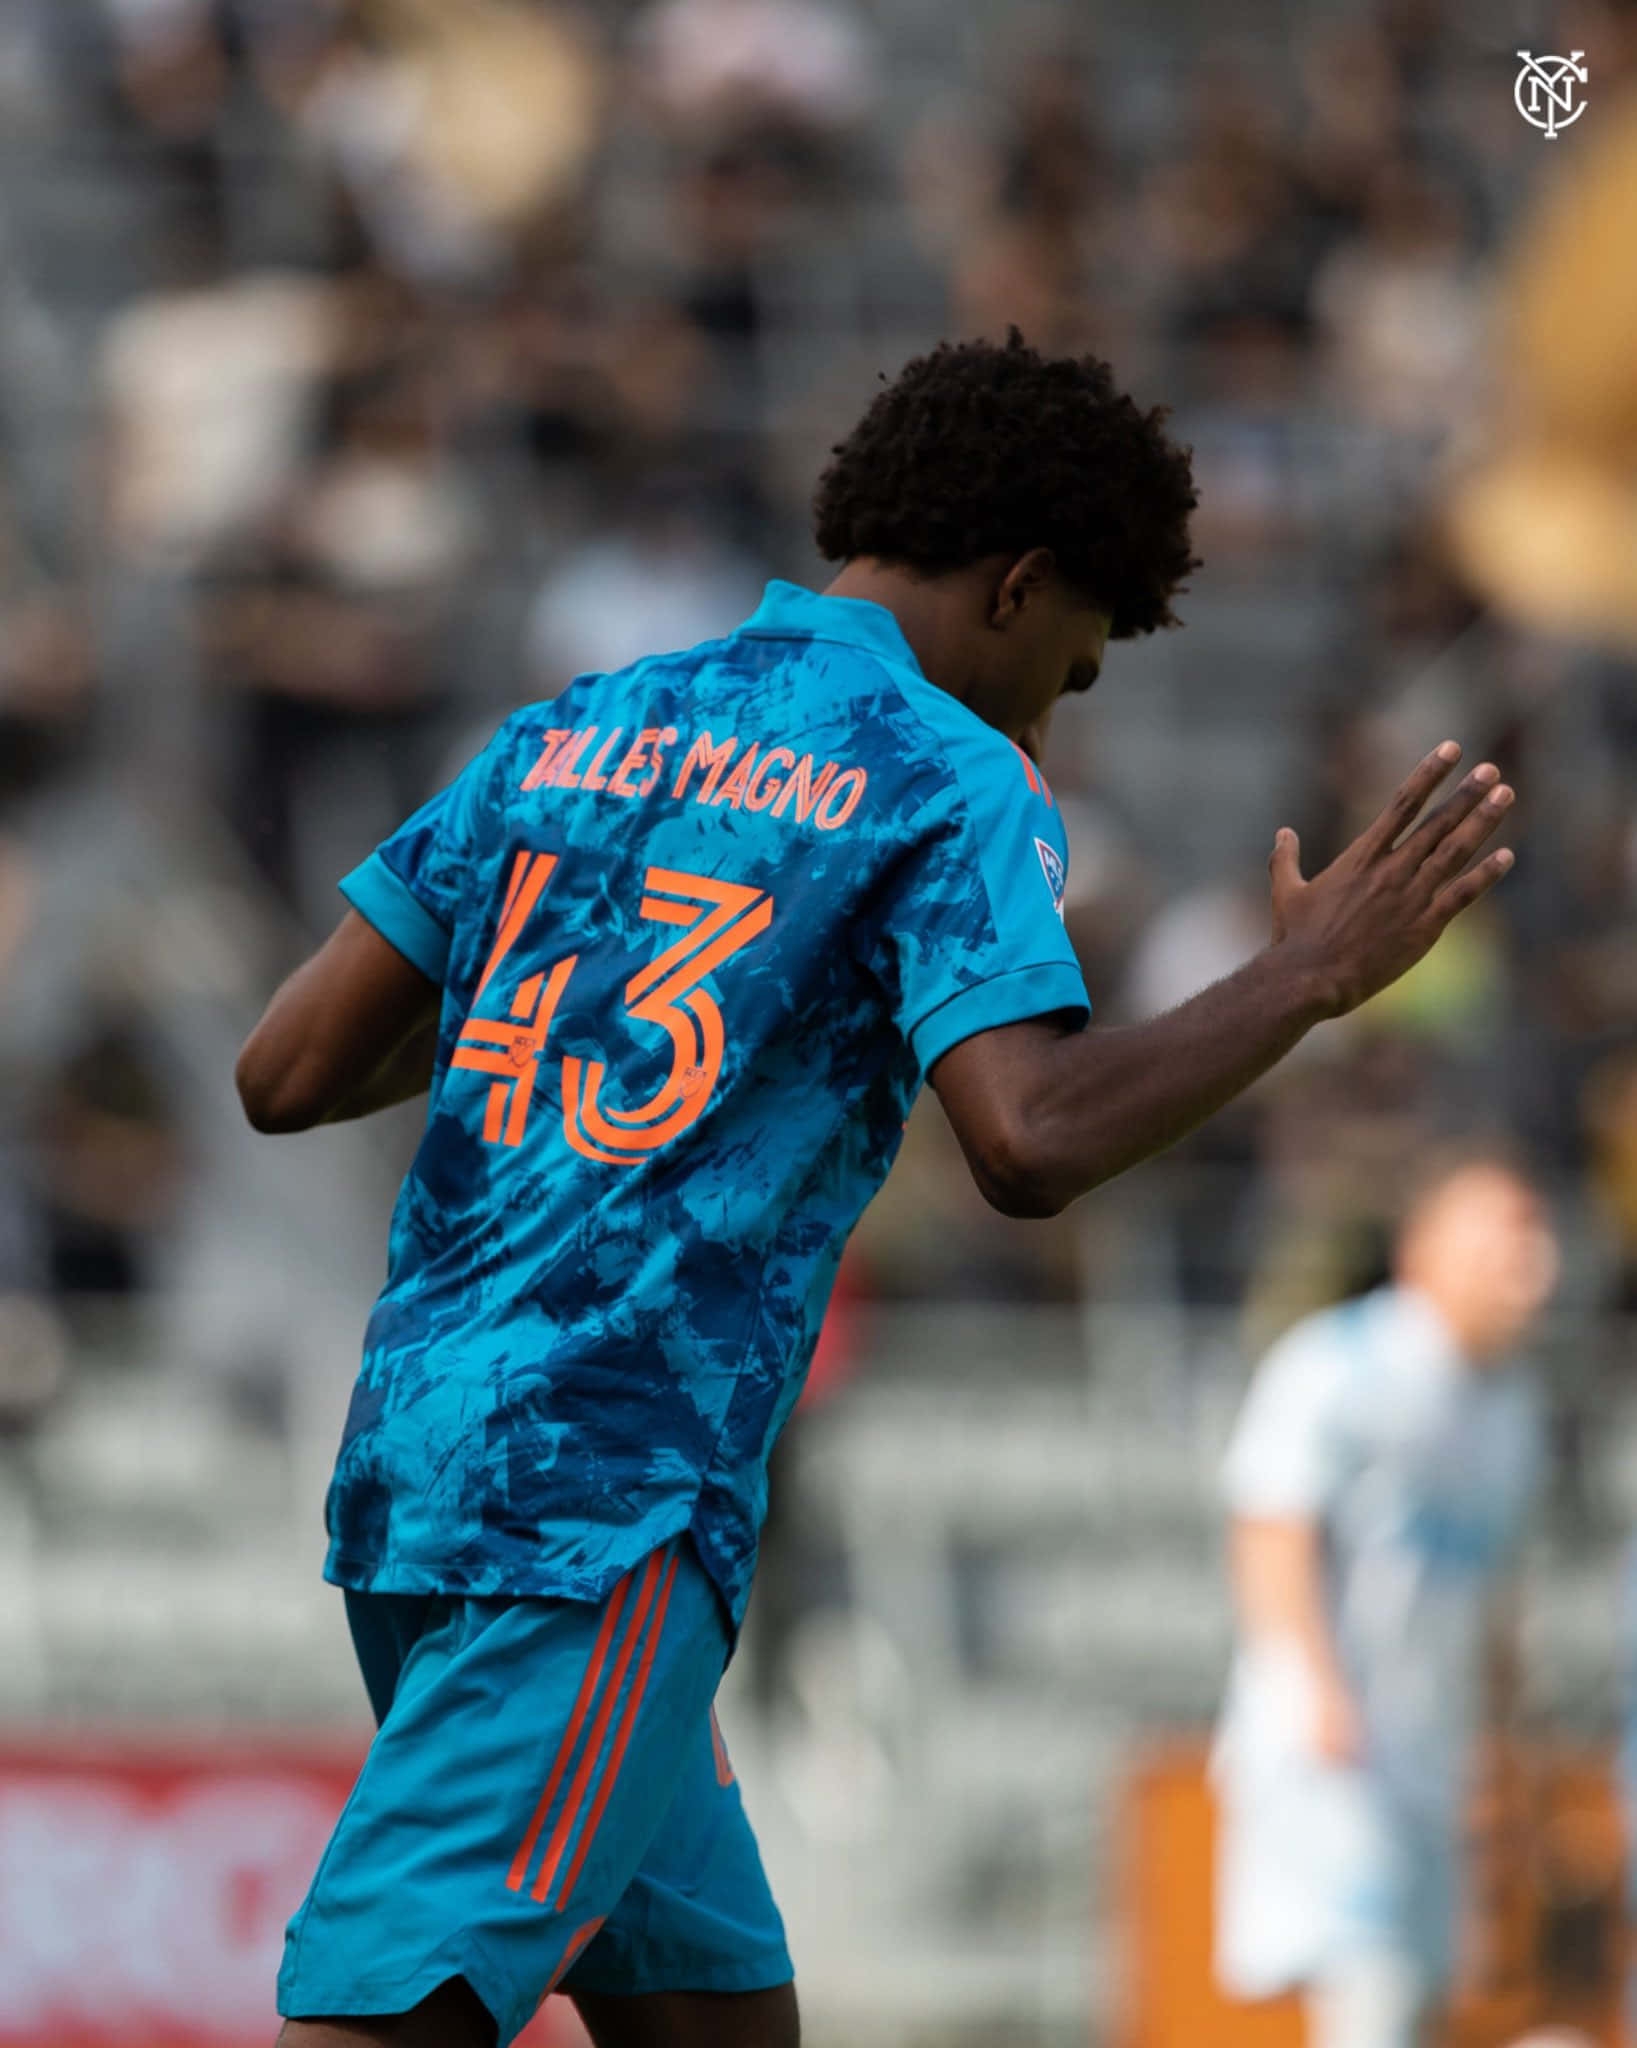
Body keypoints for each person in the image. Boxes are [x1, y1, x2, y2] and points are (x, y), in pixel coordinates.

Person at [236, 331, 1518, 2048]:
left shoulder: (579, 725)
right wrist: (1304, 980)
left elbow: (286, 1069)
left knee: (715, 2014)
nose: (1050, 715)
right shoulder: (943, 770)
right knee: (390, 2012)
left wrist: (583, 971)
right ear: (1019, 585)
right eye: (1068, 668)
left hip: (417, 1458)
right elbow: (1030, 1139)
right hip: (607, 1500)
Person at [1211, 1155, 1560, 2048]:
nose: (1530, 1265)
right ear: (1423, 1249)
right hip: (1339, 1747)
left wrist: (1499, 1742)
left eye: (1534, 1240)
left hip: (1432, 1752)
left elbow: (1494, 1593)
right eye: (1501, 1239)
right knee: (1369, 1994)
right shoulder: (1338, 1365)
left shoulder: (1511, 1407)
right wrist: (1314, 1691)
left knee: (1426, 1994)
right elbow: (1268, 1525)